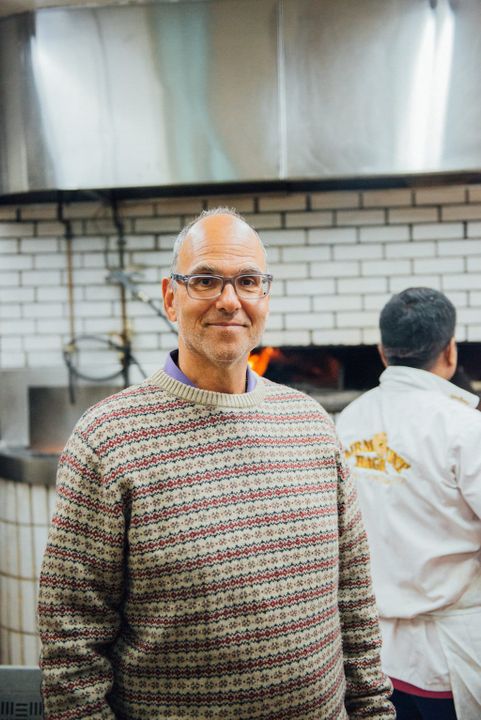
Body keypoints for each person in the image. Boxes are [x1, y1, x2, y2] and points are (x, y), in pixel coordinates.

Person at [38, 207, 395, 720]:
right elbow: (70, 645)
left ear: (264, 296)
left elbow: (355, 602)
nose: (230, 300)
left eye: (247, 281)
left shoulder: (312, 424)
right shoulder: (107, 439)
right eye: (206, 280)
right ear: (170, 297)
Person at [336, 287, 481, 720]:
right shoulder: (465, 427)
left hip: (371, 660)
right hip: (450, 659)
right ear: (450, 351)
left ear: (384, 352)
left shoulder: (349, 420)